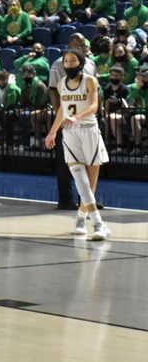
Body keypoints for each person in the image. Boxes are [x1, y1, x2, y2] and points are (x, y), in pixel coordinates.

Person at [45, 50, 112, 240]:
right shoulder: (60, 84)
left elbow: (94, 106)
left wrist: (77, 117)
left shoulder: (90, 81)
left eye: (73, 60)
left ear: (80, 63)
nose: (69, 63)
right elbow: (61, 111)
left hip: (89, 130)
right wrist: (52, 132)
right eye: (66, 61)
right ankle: (99, 224)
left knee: (89, 185)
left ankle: (81, 219)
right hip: (69, 133)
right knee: (80, 180)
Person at [47, 34, 96, 210]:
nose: (79, 45)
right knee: (66, 162)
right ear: (69, 45)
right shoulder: (59, 64)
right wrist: (59, 119)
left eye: (81, 43)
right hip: (67, 120)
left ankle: (88, 200)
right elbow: (53, 91)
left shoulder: (91, 64)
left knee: (90, 161)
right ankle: (65, 198)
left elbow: (93, 96)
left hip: (87, 120)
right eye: (75, 43)